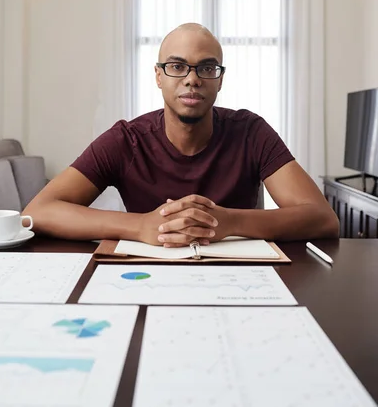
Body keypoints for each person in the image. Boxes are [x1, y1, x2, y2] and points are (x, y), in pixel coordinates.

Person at [25, 23, 339, 245]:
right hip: (148, 276)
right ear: (158, 76)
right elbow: (38, 212)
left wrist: (228, 222)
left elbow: (323, 219)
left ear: (220, 79)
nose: (192, 79)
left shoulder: (251, 132)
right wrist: (141, 226)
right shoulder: (126, 140)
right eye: (177, 66)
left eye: (206, 68)